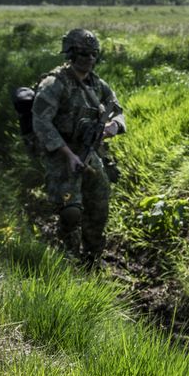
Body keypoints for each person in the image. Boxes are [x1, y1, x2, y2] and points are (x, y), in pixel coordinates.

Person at [31, 28, 125, 266]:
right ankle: (69, 257)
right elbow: (41, 121)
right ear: (71, 54)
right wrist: (68, 154)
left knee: (99, 203)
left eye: (93, 54)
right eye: (83, 53)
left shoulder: (98, 85)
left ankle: (93, 257)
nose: (89, 59)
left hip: (90, 153)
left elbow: (119, 111)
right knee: (71, 211)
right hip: (61, 154)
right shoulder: (54, 84)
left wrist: (113, 126)